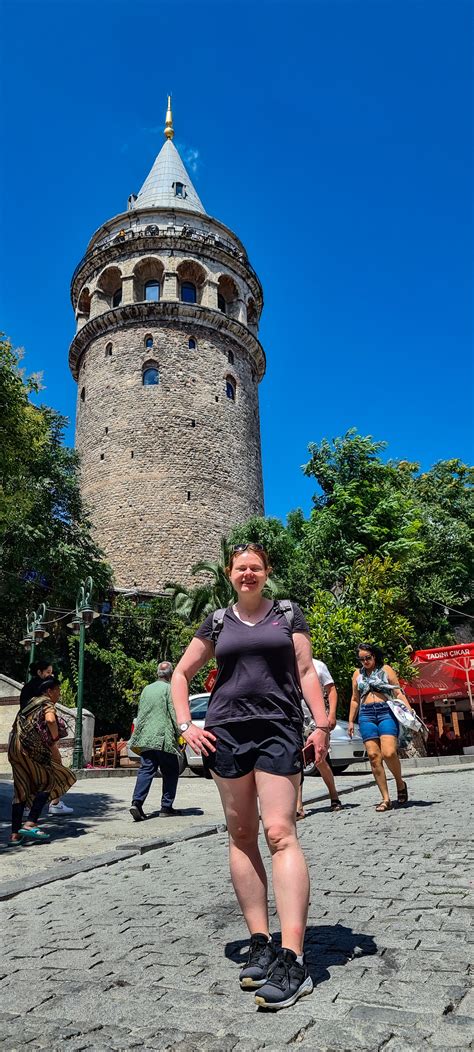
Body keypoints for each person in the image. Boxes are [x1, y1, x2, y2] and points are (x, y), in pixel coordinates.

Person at [171, 543, 329, 1011]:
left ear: (266, 572)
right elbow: (182, 673)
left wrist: (320, 725)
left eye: (255, 568)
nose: (248, 574)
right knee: (240, 835)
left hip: (278, 728)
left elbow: (304, 671)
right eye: (240, 568)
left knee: (280, 832)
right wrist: (186, 727)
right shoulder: (218, 621)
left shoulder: (288, 614)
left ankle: (293, 957)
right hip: (226, 734)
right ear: (229, 573)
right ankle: (260, 940)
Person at [8, 676, 76, 845]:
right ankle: (31, 823)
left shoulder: (30, 703)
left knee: (20, 790)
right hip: (29, 748)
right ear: (49, 691)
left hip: (14, 747)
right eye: (58, 690)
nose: (59, 694)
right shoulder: (46, 702)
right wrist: (54, 737)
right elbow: (51, 720)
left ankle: (15, 835)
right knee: (48, 781)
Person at [349, 643, 413, 812]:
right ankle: (385, 798)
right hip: (366, 714)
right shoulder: (357, 674)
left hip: (386, 712)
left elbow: (398, 692)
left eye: (368, 658)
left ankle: (400, 783)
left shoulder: (386, 669)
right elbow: (355, 699)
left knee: (389, 752)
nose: (365, 662)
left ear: (374, 656)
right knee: (373, 756)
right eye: (361, 659)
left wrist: (409, 710)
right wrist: (350, 721)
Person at [129, 661, 183, 820]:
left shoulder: (146, 689)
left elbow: (142, 711)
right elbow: (173, 713)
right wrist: (181, 733)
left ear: (157, 674)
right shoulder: (170, 689)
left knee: (146, 769)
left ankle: (136, 803)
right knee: (171, 771)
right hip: (163, 737)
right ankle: (166, 807)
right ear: (171, 675)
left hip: (146, 737)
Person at [297, 658, 342, 819]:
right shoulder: (284, 662)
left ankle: (333, 795)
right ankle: (298, 806)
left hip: (316, 718)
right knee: (296, 761)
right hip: (294, 717)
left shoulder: (318, 665)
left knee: (319, 759)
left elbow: (331, 690)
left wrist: (331, 715)